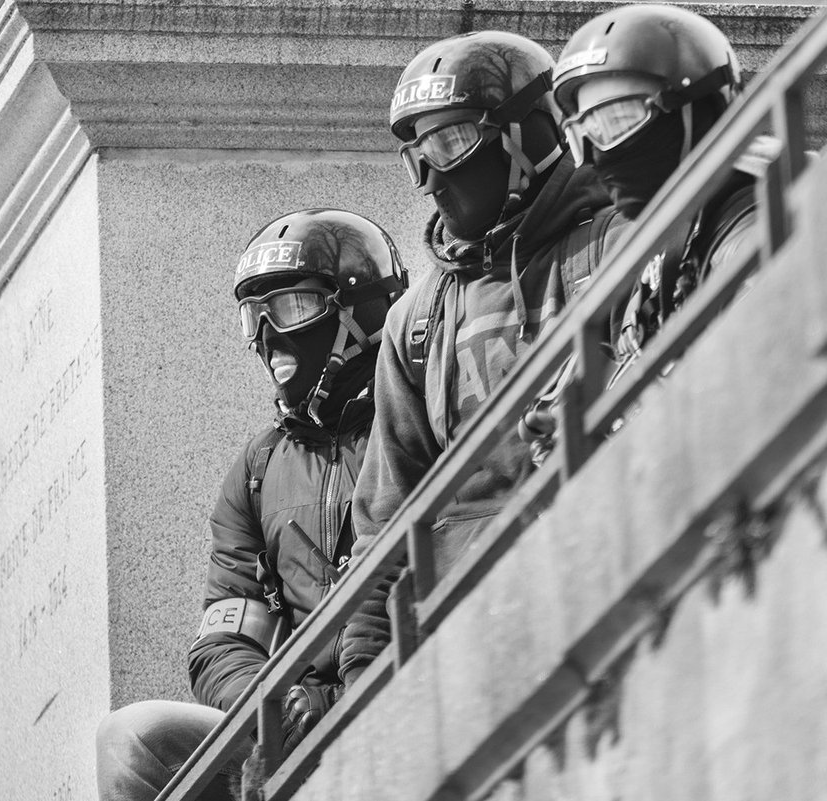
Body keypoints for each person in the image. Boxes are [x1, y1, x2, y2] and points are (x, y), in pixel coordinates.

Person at [339, 31, 626, 686]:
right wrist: (361, 677)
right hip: (462, 643)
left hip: (600, 588)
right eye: (416, 156)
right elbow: (386, 523)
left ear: (530, 136)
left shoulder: (620, 244)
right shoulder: (417, 319)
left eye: (451, 142)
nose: (431, 178)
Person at [95, 209, 407, 801]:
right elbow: (223, 641)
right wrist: (277, 708)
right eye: (253, 315)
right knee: (132, 739)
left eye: (292, 307)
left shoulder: (415, 419)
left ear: (360, 312)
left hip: (405, 692)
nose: (267, 335)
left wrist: (338, 699)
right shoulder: (258, 468)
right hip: (291, 725)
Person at [519, 4, 752, 455]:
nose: (599, 154)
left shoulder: (757, 217)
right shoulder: (658, 252)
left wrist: (614, 415)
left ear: (699, 107)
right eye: (585, 133)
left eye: (619, 120)